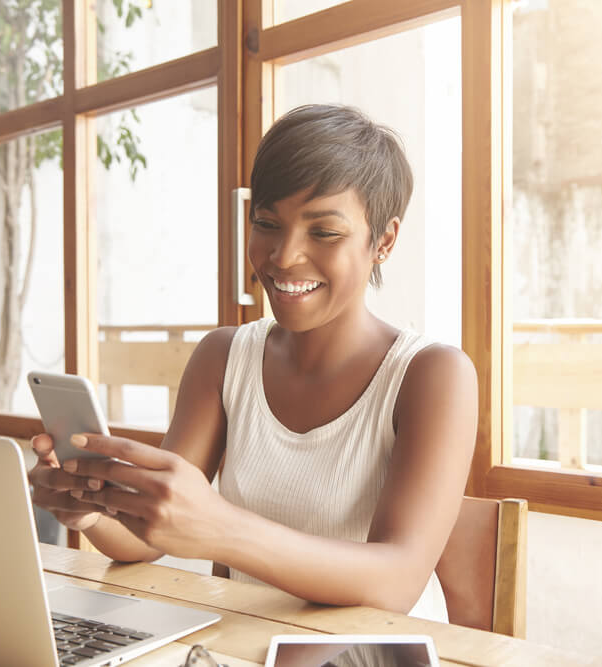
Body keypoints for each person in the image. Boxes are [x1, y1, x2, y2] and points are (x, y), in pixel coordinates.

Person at [28, 104, 477, 622]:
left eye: (324, 233)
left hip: (378, 653)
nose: (284, 256)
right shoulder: (224, 357)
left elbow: (395, 581)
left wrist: (220, 528)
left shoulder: (432, 375)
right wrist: (86, 509)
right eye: (267, 223)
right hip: (249, 646)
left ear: (385, 241)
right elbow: (144, 540)